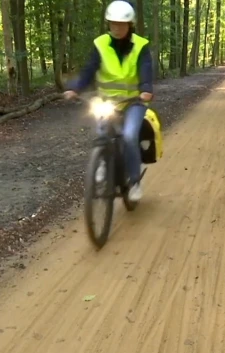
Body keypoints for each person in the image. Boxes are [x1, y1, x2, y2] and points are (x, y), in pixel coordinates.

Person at [63, 0, 153, 202]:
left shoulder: (141, 46)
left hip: (133, 103)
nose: (116, 28)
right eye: (112, 23)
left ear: (130, 24)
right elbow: (89, 69)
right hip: (106, 101)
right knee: (102, 132)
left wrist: (146, 88)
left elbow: (146, 69)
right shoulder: (101, 44)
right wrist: (75, 88)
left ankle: (135, 182)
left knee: (129, 136)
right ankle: (102, 161)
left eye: (121, 24)